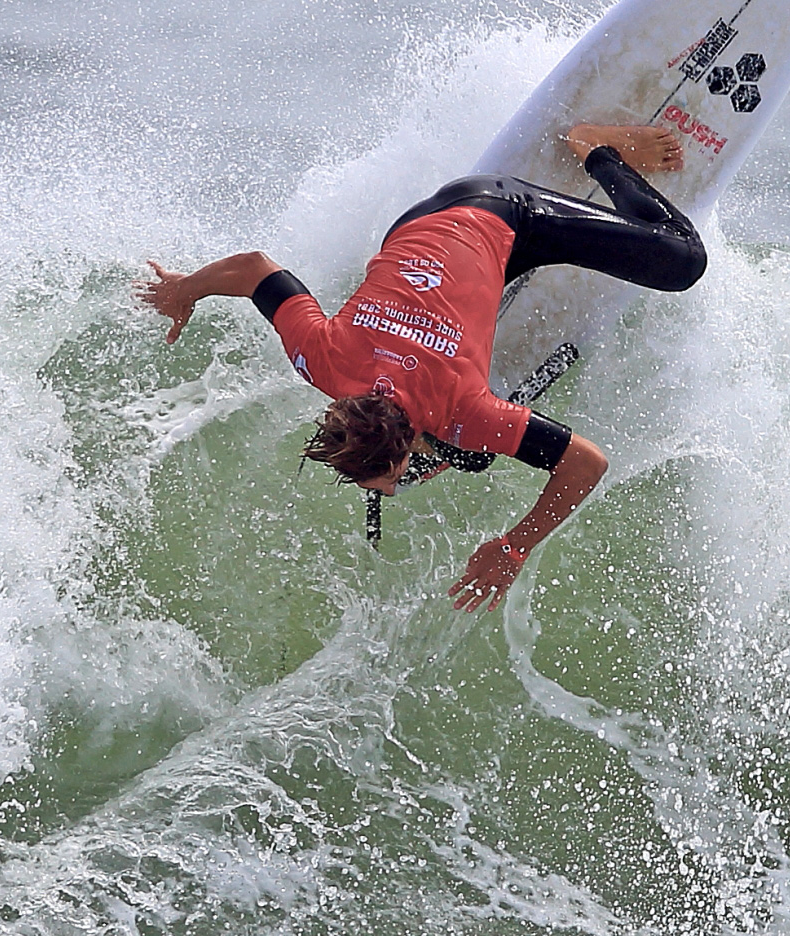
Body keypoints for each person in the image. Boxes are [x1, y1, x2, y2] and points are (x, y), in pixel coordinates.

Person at [136, 124, 706, 607]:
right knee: (469, 453)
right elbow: (254, 269)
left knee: (682, 258)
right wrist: (186, 288)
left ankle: (594, 146)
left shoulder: (465, 409)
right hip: (415, 227)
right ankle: (486, 300)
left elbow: (586, 464)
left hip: (505, 213)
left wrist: (516, 545)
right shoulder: (324, 360)